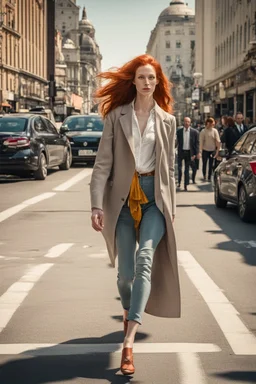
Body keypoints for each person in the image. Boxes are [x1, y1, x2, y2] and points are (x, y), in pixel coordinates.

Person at [90, 54, 181, 376]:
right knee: (125, 275)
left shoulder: (167, 121)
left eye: (151, 78)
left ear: (157, 83)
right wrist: (96, 205)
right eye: (141, 77)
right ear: (134, 81)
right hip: (123, 199)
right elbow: (102, 165)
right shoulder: (117, 116)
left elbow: (169, 167)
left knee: (145, 260)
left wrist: (172, 205)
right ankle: (129, 310)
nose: (146, 83)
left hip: (154, 199)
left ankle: (128, 342)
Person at [176, 117, 200, 190]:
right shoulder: (179, 132)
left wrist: (196, 154)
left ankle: (185, 185)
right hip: (181, 152)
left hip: (189, 152)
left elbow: (197, 144)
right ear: (183, 122)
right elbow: (176, 142)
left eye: (188, 122)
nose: (187, 123)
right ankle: (179, 182)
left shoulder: (194, 132)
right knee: (179, 168)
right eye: (185, 121)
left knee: (186, 169)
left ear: (190, 123)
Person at [199, 117, 221, 181]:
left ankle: (209, 177)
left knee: (211, 164)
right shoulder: (203, 131)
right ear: (207, 123)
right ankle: (204, 175)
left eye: (213, 123)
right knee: (204, 163)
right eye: (211, 123)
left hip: (212, 150)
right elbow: (201, 142)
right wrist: (200, 151)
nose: (212, 124)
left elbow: (218, 141)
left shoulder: (215, 131)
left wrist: (218, 151)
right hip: (205, 150)